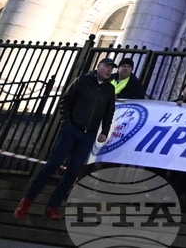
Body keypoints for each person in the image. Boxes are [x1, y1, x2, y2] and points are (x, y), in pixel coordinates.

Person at [13, 58, 117, 220]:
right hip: (72, 129)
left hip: (88, 134)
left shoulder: (109, 89)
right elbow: (66, 101)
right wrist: (67, 123)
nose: (109, 70)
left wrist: (104, 130)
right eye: (107, 67)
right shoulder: (82, 81)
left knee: (73, 171)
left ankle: (53, 206)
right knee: (53, 164)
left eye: (111, 68)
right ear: (98, 66)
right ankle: (27, 201)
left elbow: (109, 111)